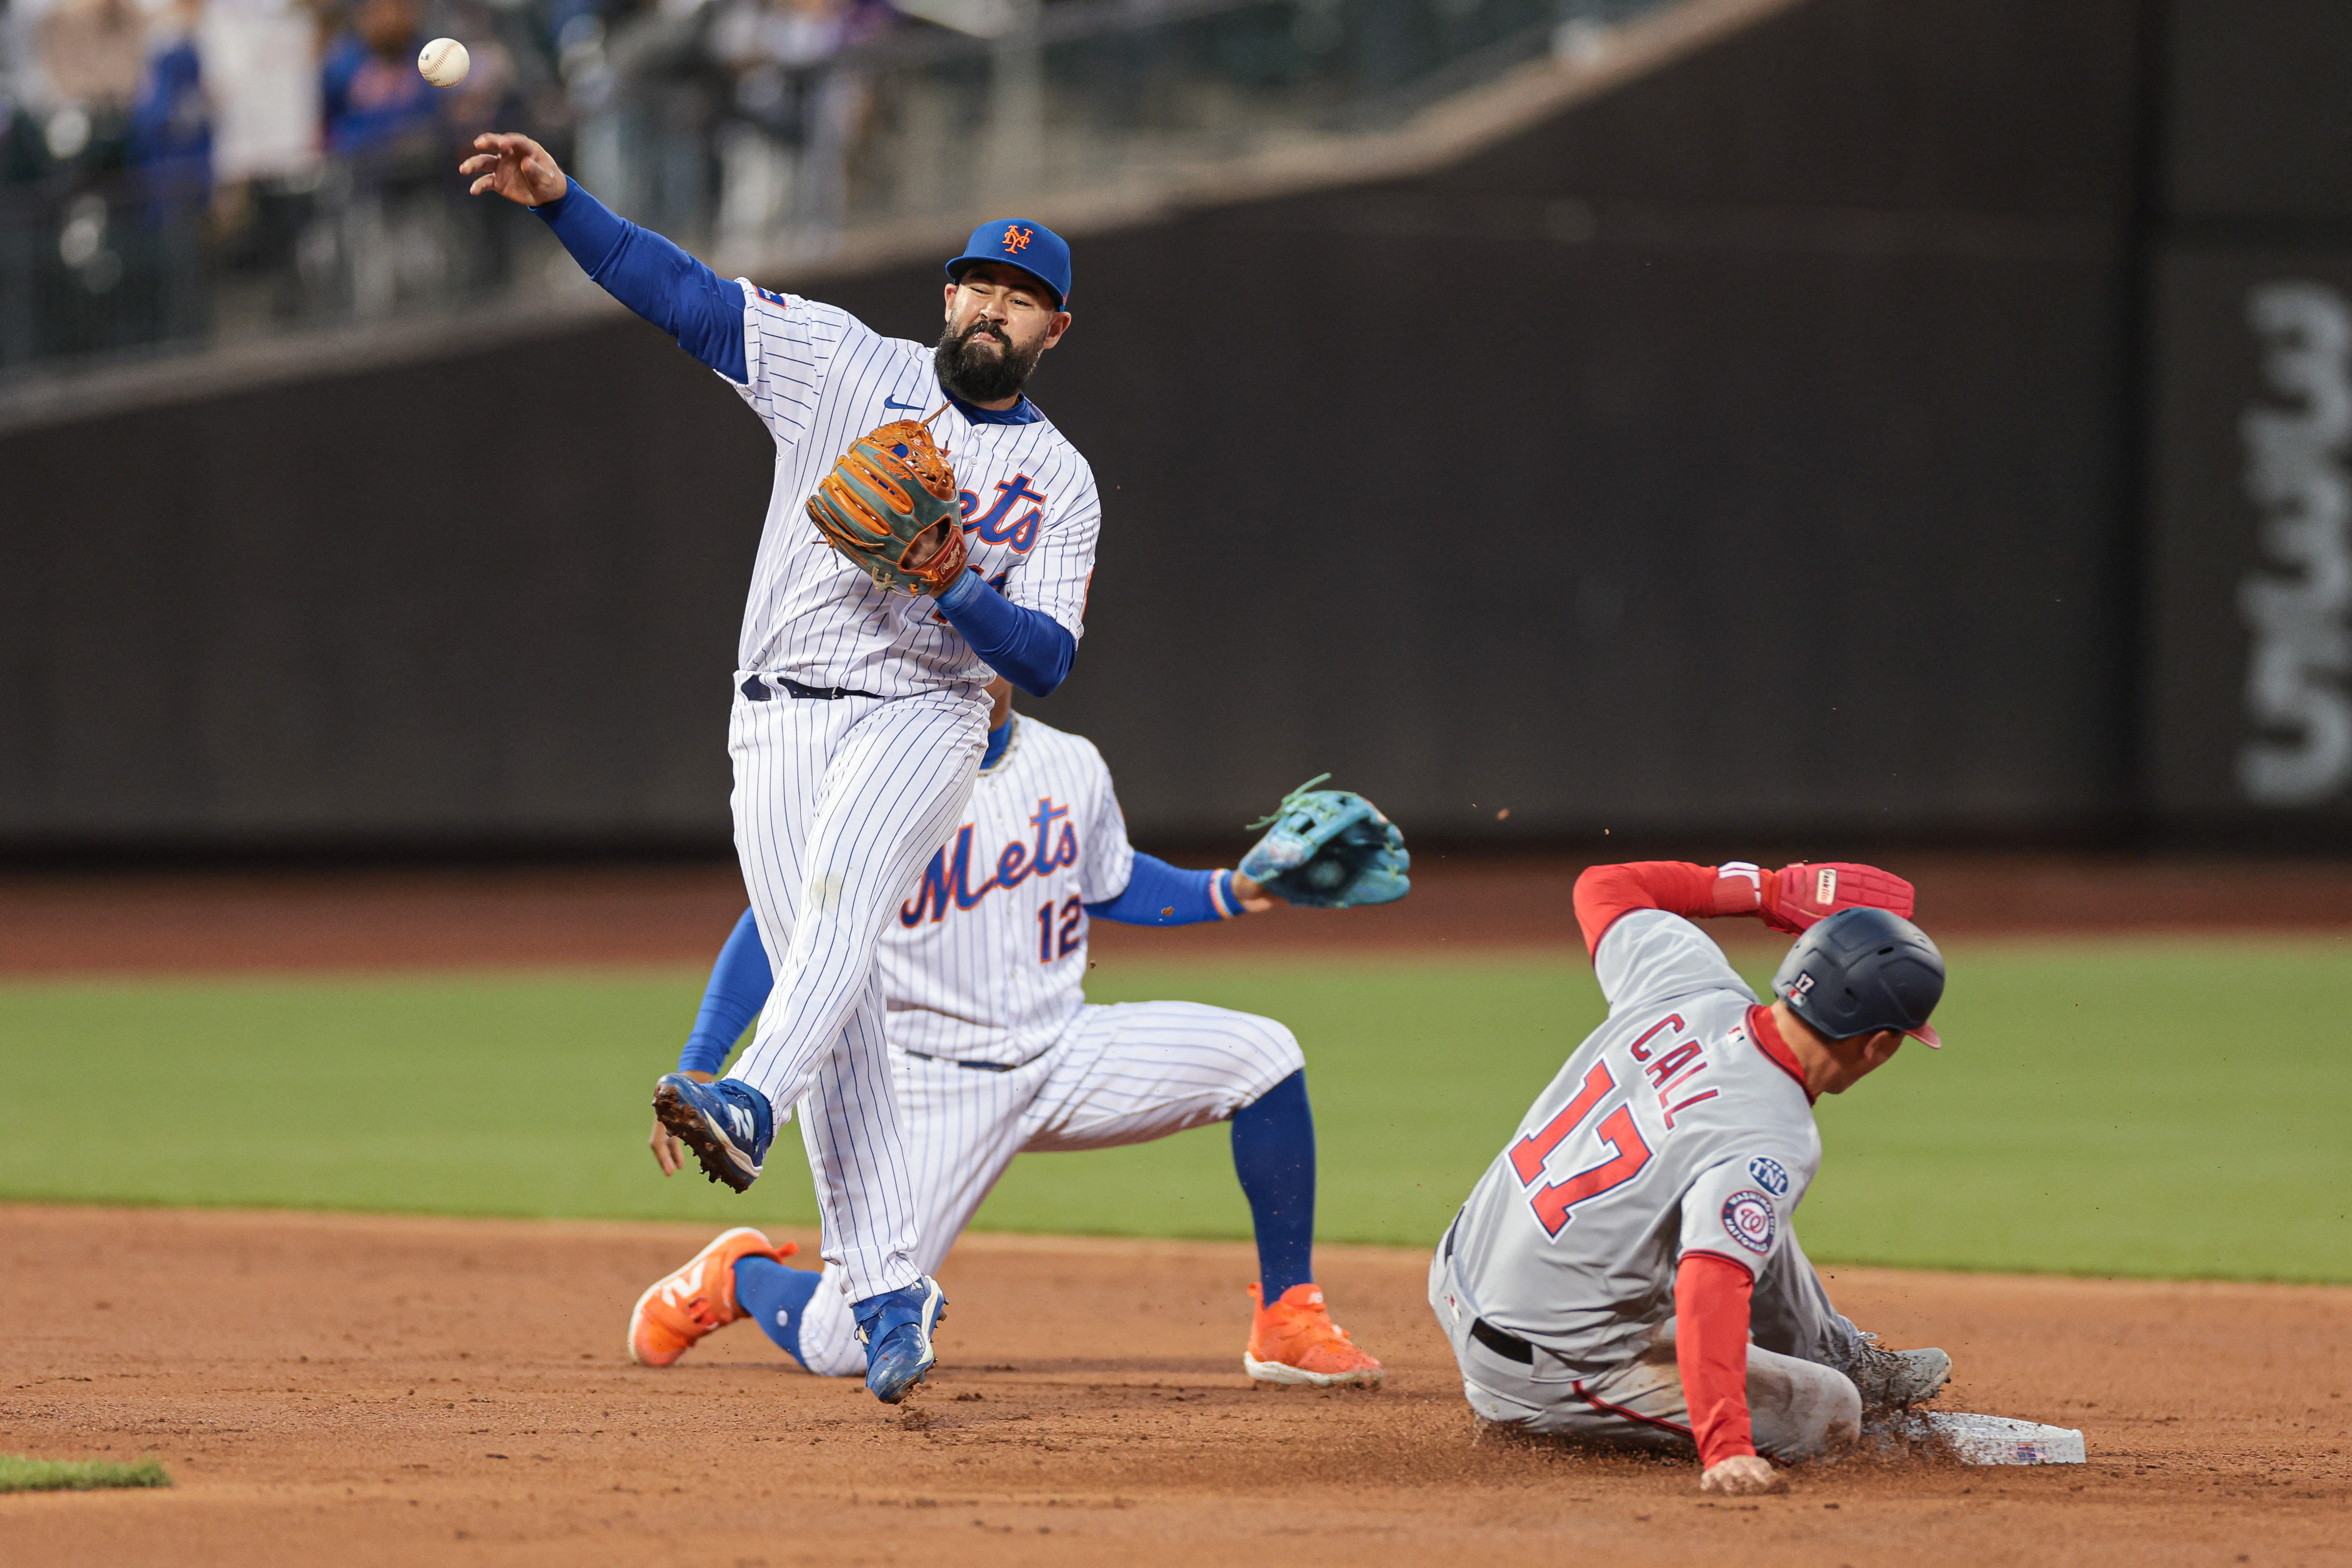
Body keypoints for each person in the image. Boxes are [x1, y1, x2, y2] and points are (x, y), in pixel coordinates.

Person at [463, 131, 1100, 1404]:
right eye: (978, 282)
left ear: (1053, 331)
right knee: (843, 993)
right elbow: (684, 297)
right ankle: (881, 1293)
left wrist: (954, 583)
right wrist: (560, 205)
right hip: (775, 719)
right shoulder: (842, 363)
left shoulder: (1059, 479)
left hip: (926, 709)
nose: (992, 304)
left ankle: (745, 1095)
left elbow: (1044, 660)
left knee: (843, 903)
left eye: (1020, 296)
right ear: (945, 297)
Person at [626, 679, 1387, 1390]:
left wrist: (1238, 890)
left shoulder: (1071, 760)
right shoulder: (872, 779)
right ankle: (740, 1274)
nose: (980, 658)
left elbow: (1115, 881)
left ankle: (1286, 1318)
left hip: (1067, 1052)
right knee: (836, 1346)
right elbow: (774, 926)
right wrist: (700, 1066)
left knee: (1265, 1057)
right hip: (931, 1085)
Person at [1427, 859, 1953, 1495]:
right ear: (1880, 1044)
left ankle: (1833, 1350)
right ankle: (1536, 1419)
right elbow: (1711, 1287)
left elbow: (1607, 887)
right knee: (1830, 1410)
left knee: (1749, 1212)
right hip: (1542, 1359)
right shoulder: (1772, 1132)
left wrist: (1764, 890)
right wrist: (1727, 1446)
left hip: (1463, 1271)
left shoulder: (1693, 982)